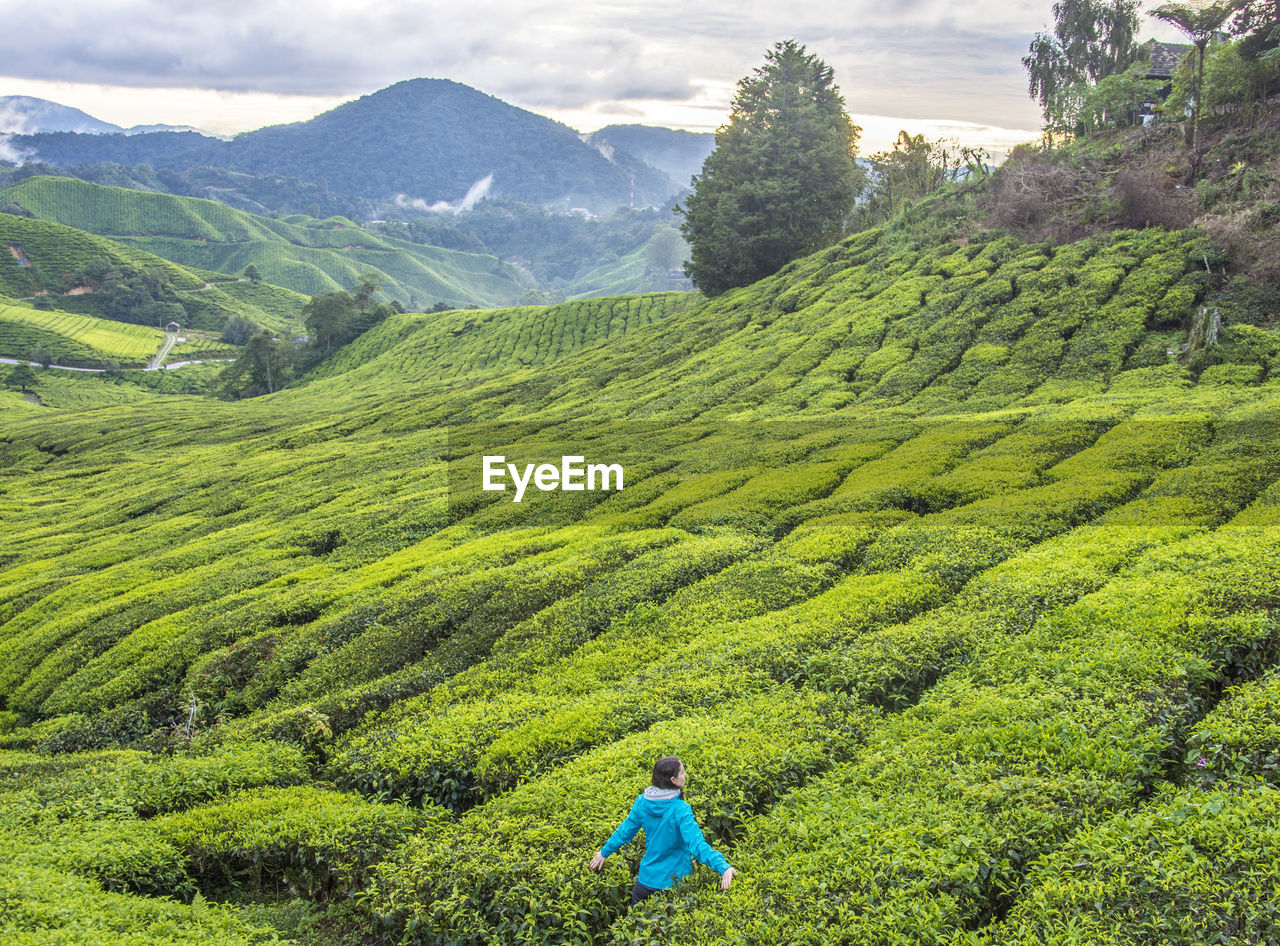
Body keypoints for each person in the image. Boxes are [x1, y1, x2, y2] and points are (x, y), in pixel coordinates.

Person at [588, 756, 737, 905]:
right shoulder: (680, 809)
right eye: (682, 772)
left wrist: (604, 853)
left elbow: (624, 831)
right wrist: (723, 866)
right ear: (673, 780)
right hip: (674, 885)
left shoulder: (642, 801)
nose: (685, 775)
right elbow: (696, 845)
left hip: (645, 884)